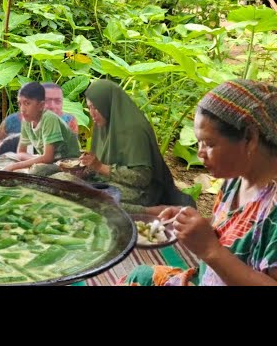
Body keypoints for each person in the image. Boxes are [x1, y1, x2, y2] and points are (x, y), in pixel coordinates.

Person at [121, 79, 277, 286]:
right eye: (199, 142)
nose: (200, 153)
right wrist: (191, 222)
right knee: (140, 276)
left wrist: (210, 250)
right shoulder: (236, 180)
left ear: (250, 138)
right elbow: (225, 226)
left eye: (209, 144)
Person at [79, 79, 194, 213]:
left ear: (107, 104)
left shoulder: (134, 130)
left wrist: (100, 167)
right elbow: (100, 161)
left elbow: (142, 178)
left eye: (95, 108)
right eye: (89, 107)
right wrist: (87, 166)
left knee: (95, 201)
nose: (91, 113)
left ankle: (151, 212)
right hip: (110, 181)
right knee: (68, 185)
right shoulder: (104, 123)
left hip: (143, 191)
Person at [0, 82, 80, 175]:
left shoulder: (49, 118)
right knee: (2, 159)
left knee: (36, 170)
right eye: (20, 103)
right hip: (47, 159)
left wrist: (14, 166)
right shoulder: (26, 119)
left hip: (66, 162)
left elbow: (48, 158)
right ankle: (26, 171)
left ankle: (26, 172)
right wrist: (32, 161)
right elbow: (21, 152)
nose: (22, 109)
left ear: (41, 105)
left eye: (27, 103)